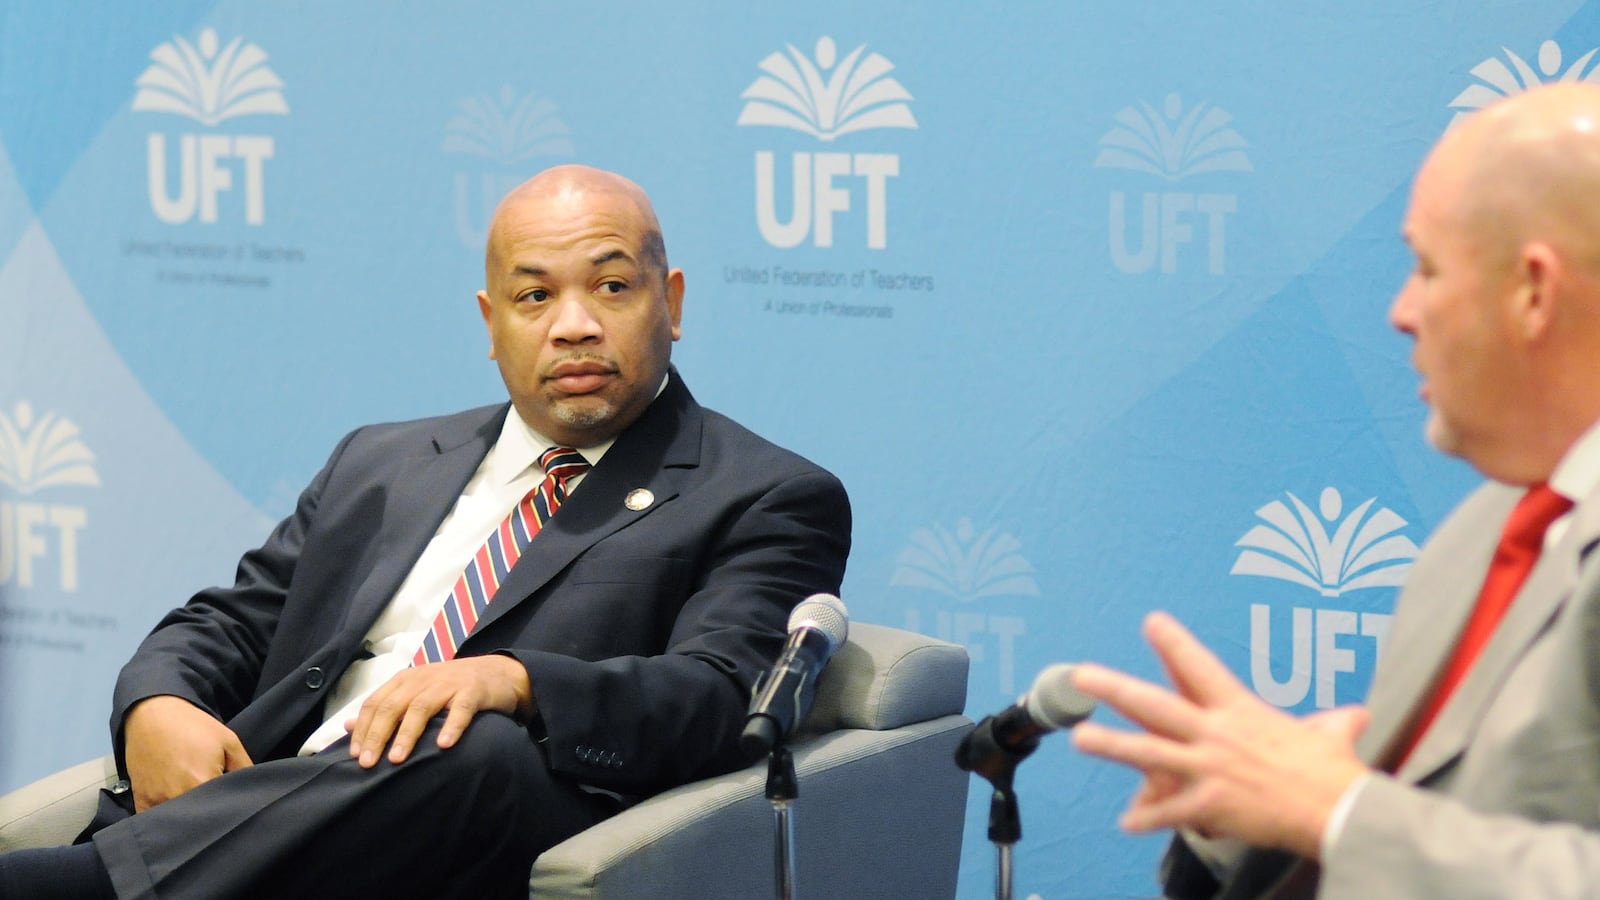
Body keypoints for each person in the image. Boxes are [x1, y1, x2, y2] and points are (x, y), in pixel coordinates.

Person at [0, 165, 851, 899]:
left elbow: (717, 695)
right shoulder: (382, 460)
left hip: (479, 830)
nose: (574, 324)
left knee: (475, 746)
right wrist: (158, 702)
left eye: (612, 286)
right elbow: (224, 624)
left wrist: (515, 682)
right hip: (275, 797)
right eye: (534, 295)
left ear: (670, 302)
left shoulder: (765, 493)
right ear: (491, 323)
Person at [1071, 81, 1600, 899]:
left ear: (1534, 292)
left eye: (1426, 268)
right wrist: (1248, 805)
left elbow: (1360, 820)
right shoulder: (1485, 530)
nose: (1399, 311)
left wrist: (1335, 807)